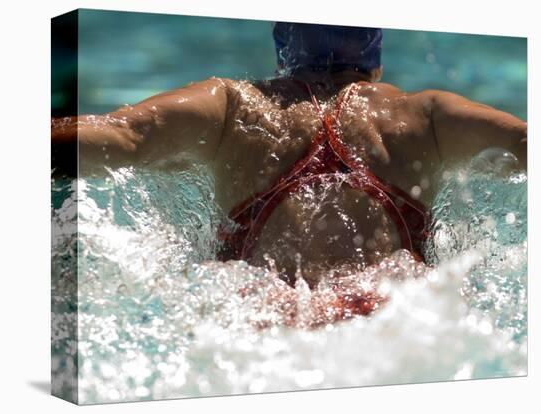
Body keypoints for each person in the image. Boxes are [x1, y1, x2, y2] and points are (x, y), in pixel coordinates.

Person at [52, 23, 527, 291]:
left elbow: (120, 137)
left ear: (283, 47)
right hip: (389, 317)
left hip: (265, 316)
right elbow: (525, 146)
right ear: (375, 58)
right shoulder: (426, 115)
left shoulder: (232, 106)